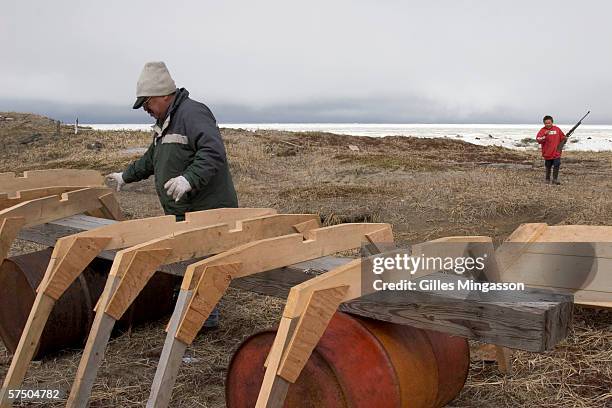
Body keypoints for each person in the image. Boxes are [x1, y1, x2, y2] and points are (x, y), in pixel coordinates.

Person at [106, 61, 238, 327]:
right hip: (182, 211)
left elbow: (212, 152)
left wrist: (189, 179)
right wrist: (125, 176)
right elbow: (153, 158)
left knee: (203, 261)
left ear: (163, 95)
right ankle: (187, 312)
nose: (145, 109)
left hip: (207, 209)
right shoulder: (164, 122)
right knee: (186, 257)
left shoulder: (193, 114)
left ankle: (202, 320)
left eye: (147, 103)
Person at [536, 115, 566, 185]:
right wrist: (544, 135)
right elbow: (538, 139)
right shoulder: (542, 130)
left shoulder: (557, 129)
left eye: (549, 123)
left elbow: (562, 137)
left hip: (556, 152)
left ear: (552, 122)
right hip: (547, 153)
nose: (548, 124)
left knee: (557, 164)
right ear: (544, 123)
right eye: (546, 123)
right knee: (548, 166)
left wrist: (565, 139)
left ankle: (555, 179)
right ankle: (547, 179)